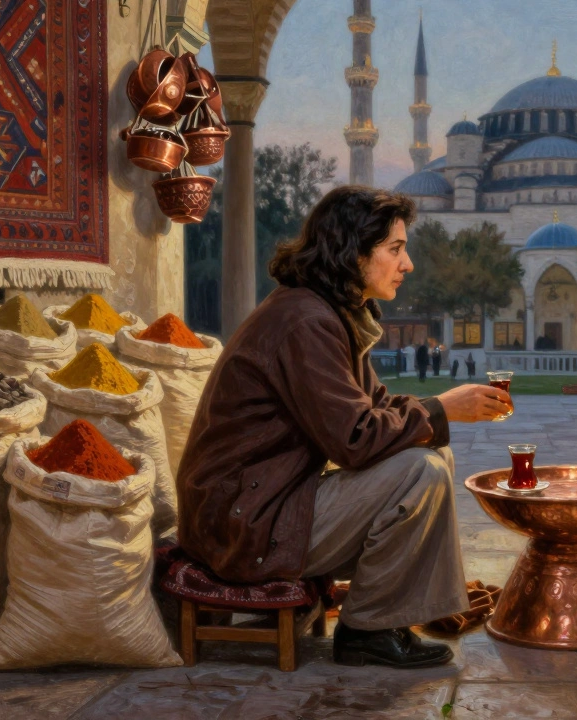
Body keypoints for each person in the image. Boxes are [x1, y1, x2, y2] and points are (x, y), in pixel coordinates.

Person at [178, 186, 513, 669]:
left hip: (259, 505)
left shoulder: (321, 312)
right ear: (352, 251)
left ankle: (385, 618)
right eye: (395, 249)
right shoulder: (305, 321)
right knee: (421, 470)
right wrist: (440, 409)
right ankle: (367, 631)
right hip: (242, 525)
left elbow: (374, 406)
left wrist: (443, 409)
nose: (408, 264)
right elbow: (355, 440)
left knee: (432, 455)